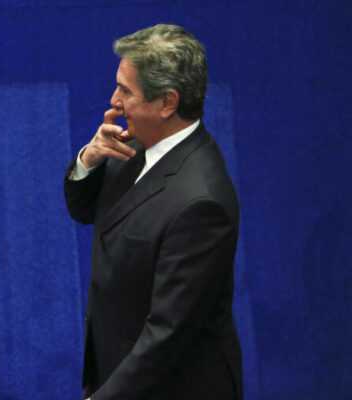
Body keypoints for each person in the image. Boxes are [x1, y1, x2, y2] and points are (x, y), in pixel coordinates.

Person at [64, 24, 243, 400]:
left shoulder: (201, 201)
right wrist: (88, 161)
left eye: (126, 91)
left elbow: (168, 333)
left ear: (166, 103)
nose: (113, 101)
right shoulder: (134, 146)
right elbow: (84, 210)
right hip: (120, 373)